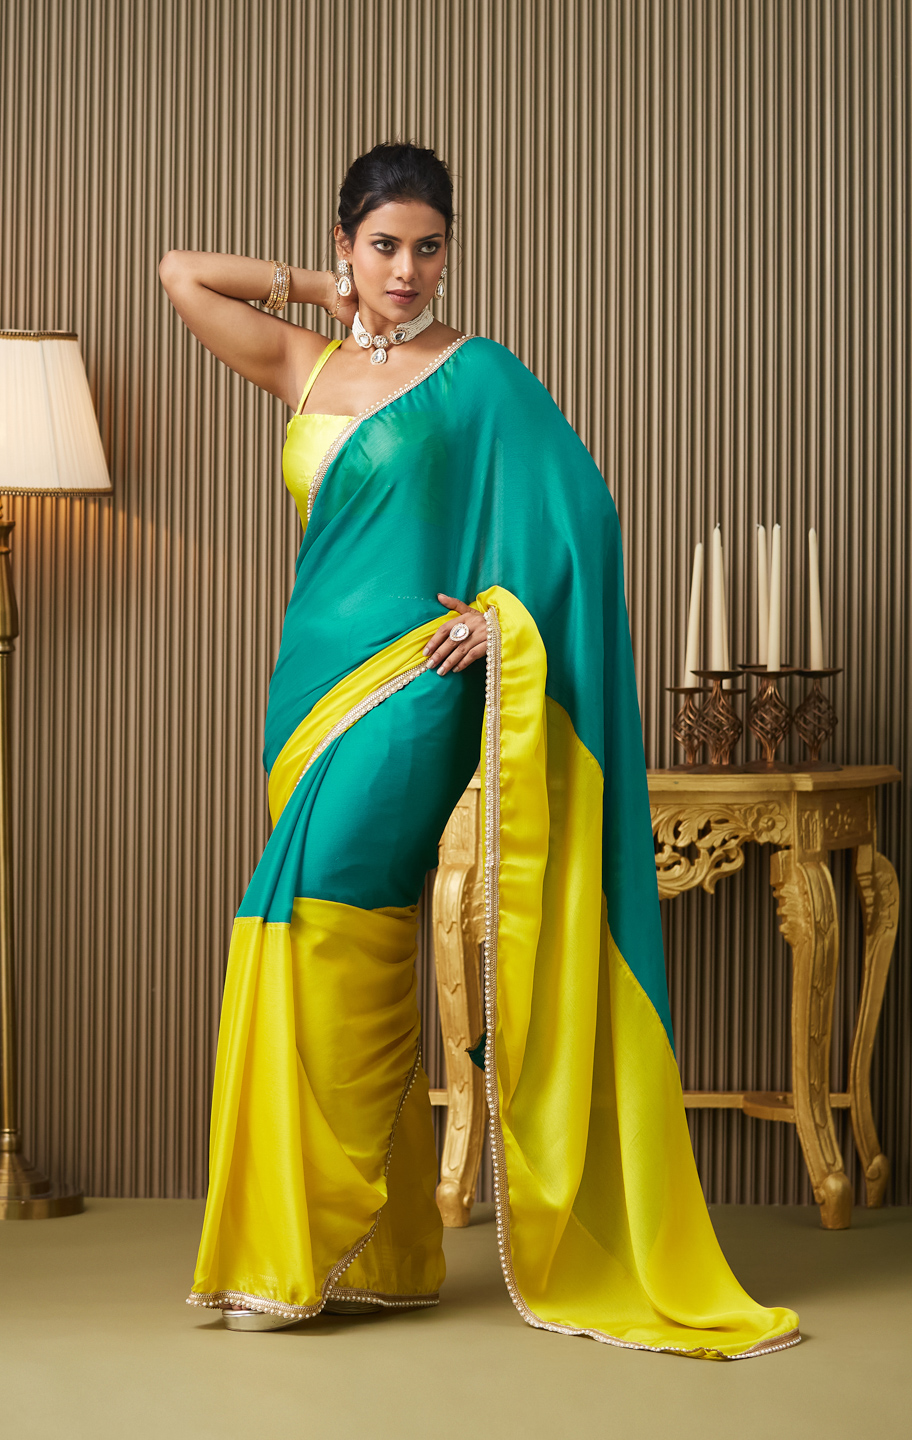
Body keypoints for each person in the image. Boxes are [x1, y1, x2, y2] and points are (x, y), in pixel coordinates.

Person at [159, 142, 800, 1357]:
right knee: (341, 932)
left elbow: (580, 522)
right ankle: (376, 1249)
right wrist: (322, 292)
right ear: (346, 243)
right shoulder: (306, 364)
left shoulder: (482, 376)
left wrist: (497, 619)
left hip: (417, 687)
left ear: (451, 252)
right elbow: (180, 273)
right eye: (383, 245)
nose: (407, 269)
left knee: (321, 925)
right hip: (306, 699)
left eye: (429, 247)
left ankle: (302, 1243)